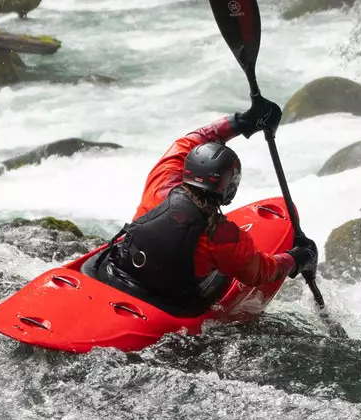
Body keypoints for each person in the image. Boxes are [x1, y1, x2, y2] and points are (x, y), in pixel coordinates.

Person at [83, 99, 318, 317]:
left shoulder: (161, 183)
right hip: (165, 303)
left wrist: (240, 122)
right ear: (229, 189)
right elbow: (260, 273)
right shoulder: (224, 238)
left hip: (116, 275)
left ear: (188, 170)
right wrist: (297, 258)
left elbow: (191, 140)